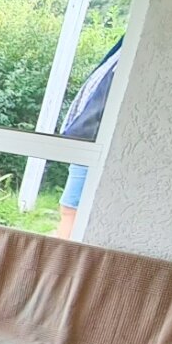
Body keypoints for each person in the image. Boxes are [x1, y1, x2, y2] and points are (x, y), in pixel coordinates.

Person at [56, 37, 123, 239]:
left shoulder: (127, 52)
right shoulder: (124, 48)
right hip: (89, 142)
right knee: (70, 211)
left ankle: (62, 257)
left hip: (93, 142)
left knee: (72, 212)